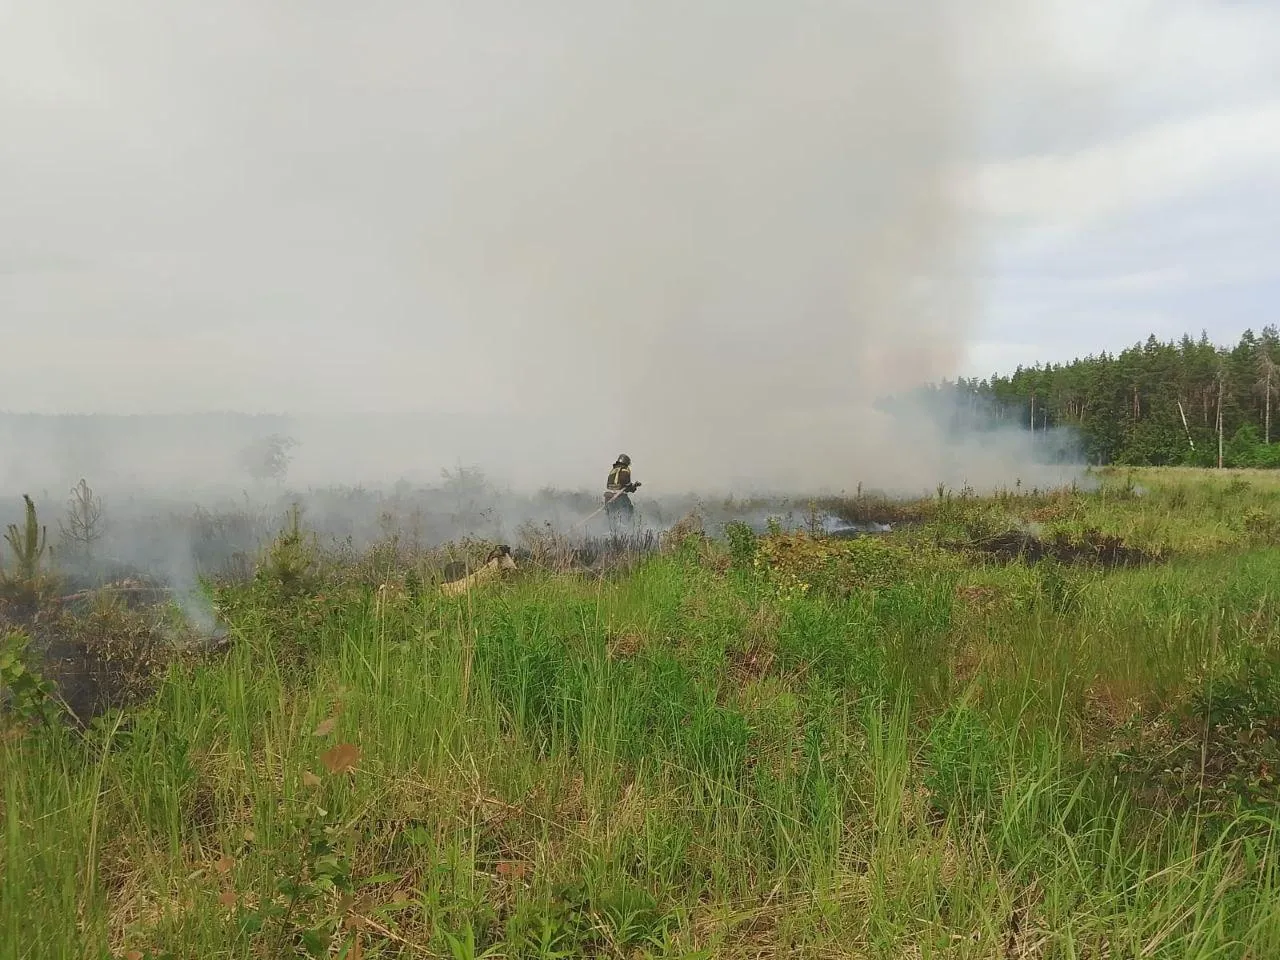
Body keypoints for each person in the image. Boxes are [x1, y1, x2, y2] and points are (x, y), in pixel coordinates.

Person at [604, 453, 641, 529]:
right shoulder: (625, 470)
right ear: (626, 462)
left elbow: (609, 485)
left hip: (609, 496)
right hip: (620, 496)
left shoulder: (613, 470)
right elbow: (627, 486)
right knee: (628, 511)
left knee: (611, 516)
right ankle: (624, 530)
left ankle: (610, 530)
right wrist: (634, 486)